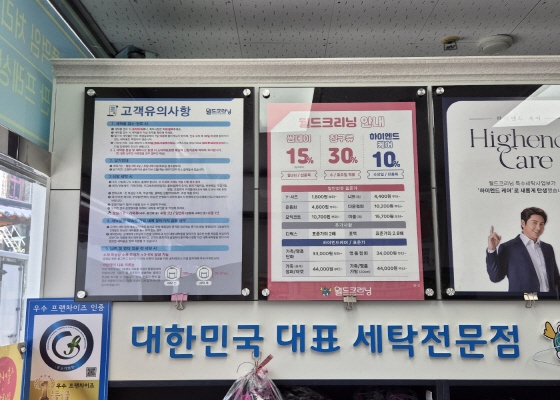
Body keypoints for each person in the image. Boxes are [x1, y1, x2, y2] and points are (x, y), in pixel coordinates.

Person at [486, 207, 560, 293]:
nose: (538, 228)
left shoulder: (548, 248)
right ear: (523, 223)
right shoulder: (508, 248)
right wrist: (492, 249)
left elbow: (556, 279)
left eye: (541, 224)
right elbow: (495, 277)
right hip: (524, 300)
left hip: (549, 299)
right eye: (534, 223)